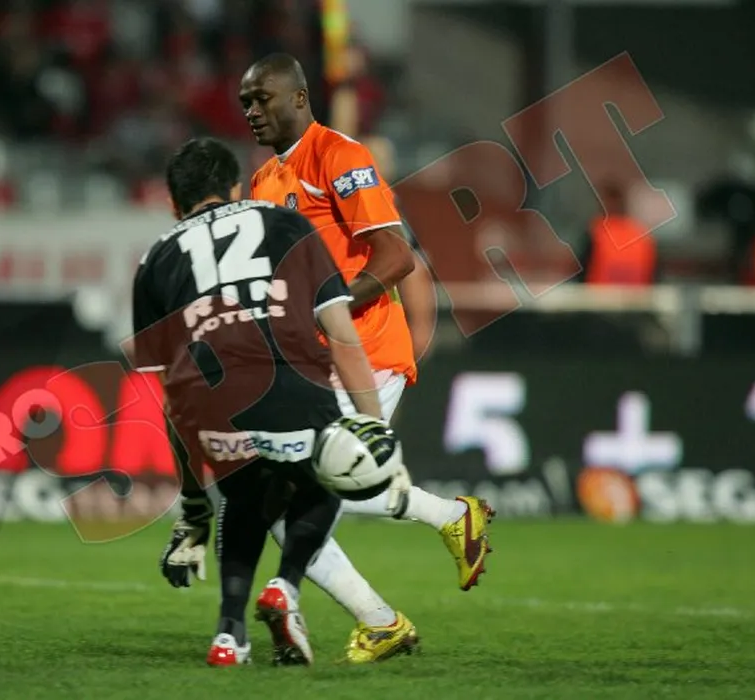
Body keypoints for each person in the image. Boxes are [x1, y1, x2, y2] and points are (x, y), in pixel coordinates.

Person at [238, 53, 495, 662]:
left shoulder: (341, 157)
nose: (251, 111)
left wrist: (328, 308)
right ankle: (393, 601)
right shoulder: (264, 180)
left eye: (261, 98)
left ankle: (358, 608)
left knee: (314, 484)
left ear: (299, 98)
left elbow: (395, 256)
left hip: (366, 349)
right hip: (310, 361)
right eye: (244, 102)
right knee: (294, 494)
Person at [130, 137, 400, 667]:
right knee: (324, 478)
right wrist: (372, 426)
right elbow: (340, 333)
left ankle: (229, 636)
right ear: (236, 188)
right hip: (291, 380)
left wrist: (193, 505)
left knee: (245, 497)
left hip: (210, 403)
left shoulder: (154, 259)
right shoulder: (286, 223)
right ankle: (285, 585)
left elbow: (171, 402)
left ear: (173, 204)